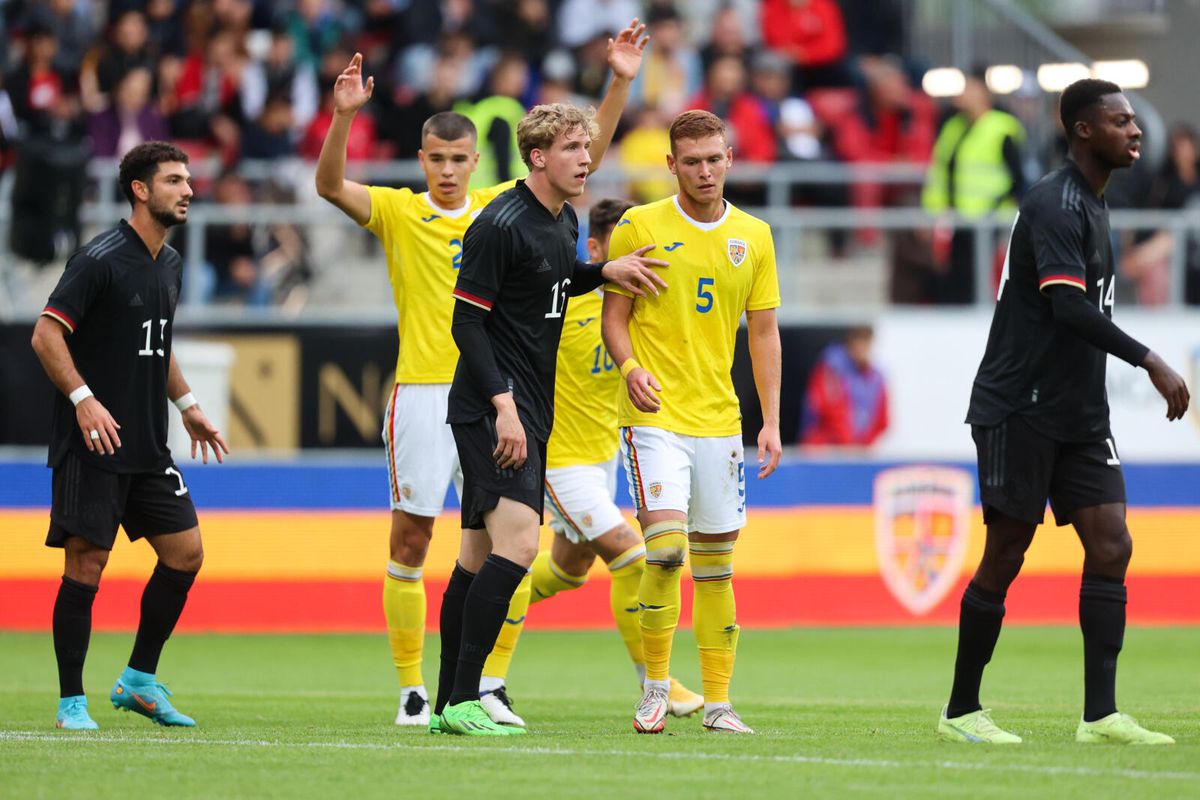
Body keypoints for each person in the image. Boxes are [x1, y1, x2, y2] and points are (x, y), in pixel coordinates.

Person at [314, 21, 649, 729]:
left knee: (476, 554)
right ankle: (441, 692)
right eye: (435, 157)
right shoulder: (456, 217)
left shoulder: (544, 212)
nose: (447, 169)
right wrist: (342, 117)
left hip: (513, 391)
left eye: (458, 158)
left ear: (476, 161)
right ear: (423, 159)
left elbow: (581, 156)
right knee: (483, 544)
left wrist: (600, 270)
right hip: (470, 392)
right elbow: (333, 189)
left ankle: (464, 693)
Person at [939, 79, 1190, 745]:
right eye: (1121, 121)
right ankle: (962, 710)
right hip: (1019, 406)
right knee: (1006, 555)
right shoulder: (1054, 202)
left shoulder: (1097, 204)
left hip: (1079, 414)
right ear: (1083, 129)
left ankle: (1100, 715)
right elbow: (1068, 306)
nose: (1136, 131)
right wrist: (1149, 359)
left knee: (1112, 544)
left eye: (1135, 120)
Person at [432, 103, 669, 737]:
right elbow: (466, 322)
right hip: (495, 409)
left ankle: (446, 704)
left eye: (586, 149)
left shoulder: (560, 220)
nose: (585, 159)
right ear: (538, 157)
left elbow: (552, 284)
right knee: (516, 547)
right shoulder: (499, 224)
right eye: (571, 148)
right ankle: (464, 698)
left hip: (528, 408)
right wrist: (503, 405)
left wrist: (602, 272)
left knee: (476, 562)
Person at [472, 198, 705, 721]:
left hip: (603, 460)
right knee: (633, 557)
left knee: (567, 570)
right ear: (595, 250)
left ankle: (477, 608)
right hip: (557, 459)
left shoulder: (638, 307)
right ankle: (656, 683)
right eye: (621, 248)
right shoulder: (563, 302)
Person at [30, 140, 229, 731]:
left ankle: (138, 681)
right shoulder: (99, 259)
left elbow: (157, 343)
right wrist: (83, 400)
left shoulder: (169, 261)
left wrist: (188, 404)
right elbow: (46, 336)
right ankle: (71, 702)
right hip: (92, 444)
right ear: (141, 190)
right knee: (85, 567)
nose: (188, 189)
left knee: (186, 553)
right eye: (174, 180)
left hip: (146, 443)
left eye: (188, 179)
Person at [603, 109, 783, 734]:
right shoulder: (639, 226)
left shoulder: (754, 236)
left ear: (730, 158)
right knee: (666, 551)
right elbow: (615, 317)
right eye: (692, 161)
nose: (704, 171)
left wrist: (771, 420)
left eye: (715, 159)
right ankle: (654, 688)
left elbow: (763, 332)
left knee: (716, 564)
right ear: (671, 164)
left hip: (720, 420)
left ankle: (719, 703)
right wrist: (628, 368)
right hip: (654, 415)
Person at [921, 67, 1026, 305]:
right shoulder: (953, 126)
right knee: (955, 280)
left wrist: (996, 206)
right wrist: (933, 212)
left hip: (990, 220)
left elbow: (1016, 178)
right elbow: (940, 172)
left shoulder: (1002, 126)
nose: (962, 94)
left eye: (968, 87)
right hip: (956, 220)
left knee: (986, 280)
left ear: (983, 93)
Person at [800, 326, 888, 446]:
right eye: (859, 342)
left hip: (858, 451)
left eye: (866, 343)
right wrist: (849, 444)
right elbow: (829, 410)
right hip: (824, 448)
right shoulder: (831, 368)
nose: (863, 349)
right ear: (850, 343)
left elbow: (882, 420)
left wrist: (862, 446)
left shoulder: (876, 379)